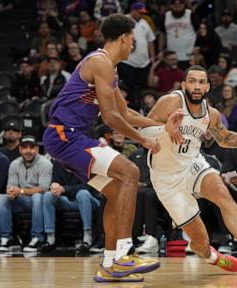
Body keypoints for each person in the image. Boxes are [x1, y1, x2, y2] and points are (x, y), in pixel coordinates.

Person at [42, 14, 181, 283]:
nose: (134, 46)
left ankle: (108, 264)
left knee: (117, 191)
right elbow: (110, 117)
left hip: (71, 137)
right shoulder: (99, 62)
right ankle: (123, 255)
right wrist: (143, 140)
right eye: (133, 40)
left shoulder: (109, 68)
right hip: (64, 136)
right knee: (130, 172)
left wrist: (161, 126)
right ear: (123, 39)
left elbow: (124, 112)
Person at [141, 65, 237, 273]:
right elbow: (141, 130)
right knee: (200, 240)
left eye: (201, 82)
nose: (196, 86)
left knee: (221, 191)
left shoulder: (211, 114)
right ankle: (212, 257)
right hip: (166, 177)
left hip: (192, 164)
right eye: (192, 81)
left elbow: (224, 139)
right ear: (184, 84)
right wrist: (165, 129)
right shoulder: (171, 102)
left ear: (207, 86)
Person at [0, 135, 53, 252]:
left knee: (37, 197)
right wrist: (11, 191)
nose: (28, 151)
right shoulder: (14, 164)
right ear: (20, 149)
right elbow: (11, 185)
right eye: (24, 147)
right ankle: (6, 238)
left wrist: (21, 191)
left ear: (37, 149)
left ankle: (37, 237)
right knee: (3, 198)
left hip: (39, 203)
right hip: (21, 200)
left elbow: (43, 188)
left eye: (32, 147)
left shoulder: (45, 164)